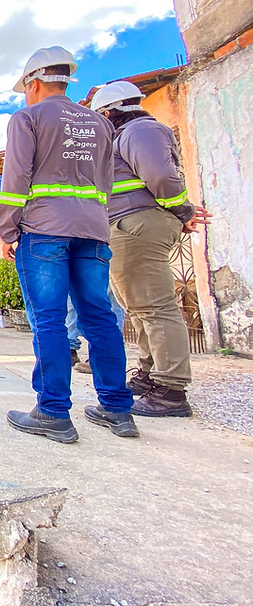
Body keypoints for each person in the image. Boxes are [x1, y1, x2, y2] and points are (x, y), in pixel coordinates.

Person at [0, 47, 137, 442]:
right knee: (100, 318)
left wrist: (8, 230)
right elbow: (105, 183)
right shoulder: (100, 123)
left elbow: (16, 180)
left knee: (50, 320)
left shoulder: (28, 118)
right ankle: (117, 409)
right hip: (93, 230)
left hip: (43, 230)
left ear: (34, 83)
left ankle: (53, 411)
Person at [90, 81, 211, 417]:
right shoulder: (126, 135)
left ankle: (171, 390)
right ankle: (149, 372)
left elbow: (161, 177)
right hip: (129, 224)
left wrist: (181, 209)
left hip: (139, 224)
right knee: (139, 305)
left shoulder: (140, 130)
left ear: (110, 112)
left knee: (155, 306)